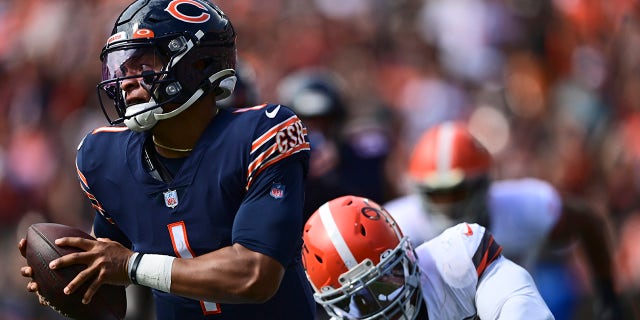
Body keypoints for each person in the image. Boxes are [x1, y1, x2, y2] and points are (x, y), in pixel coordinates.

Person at [18, 0, 316, 319]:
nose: (127, 80)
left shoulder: (261, 134)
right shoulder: (102, 158)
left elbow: (257, 274)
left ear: (199, 64)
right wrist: (67, 277)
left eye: (144, 64)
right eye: (123, 67)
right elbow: (111, 274)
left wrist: (133, 265)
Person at [384, 121, 623, 319]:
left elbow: (588, 222)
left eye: (457, 192)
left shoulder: (523, 206)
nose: (448, 205)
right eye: (437, 195)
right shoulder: (395, 226)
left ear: (483, 184)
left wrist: (607, 294)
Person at [302, 195, 554, 319]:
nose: (382, 304)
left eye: (386, 278)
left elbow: (521, 308)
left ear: (407, 253)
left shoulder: (455, 261)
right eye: (359, 299)